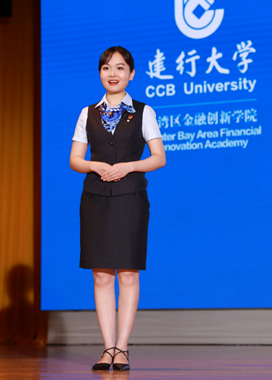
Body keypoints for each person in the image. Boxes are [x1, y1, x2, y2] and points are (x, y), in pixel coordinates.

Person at [69, 46, 166, 372]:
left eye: (120, 68)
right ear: (100, 73)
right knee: (100, 275)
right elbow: (75, 160)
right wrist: (94, 165)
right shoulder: (88, 113)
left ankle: (122, 348)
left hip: (130, 198)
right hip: (95, 198)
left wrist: (128, 167)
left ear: (131, 74)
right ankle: (107, 348)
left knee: (127, 272)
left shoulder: (143, 111)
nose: (113, 74)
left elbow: (159, 157)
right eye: (107, 68)